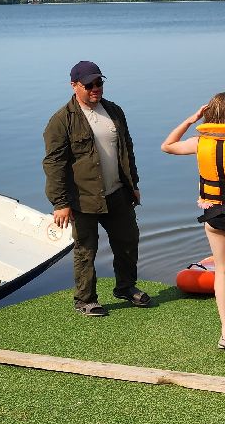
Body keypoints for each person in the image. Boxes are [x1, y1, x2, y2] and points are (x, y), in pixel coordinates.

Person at [42, 59, 152, 316]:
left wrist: (133, 184)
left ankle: (126, 287)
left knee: (128, 241)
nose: (95, 88)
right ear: (74, 86)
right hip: (83, 198)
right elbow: (53, 164)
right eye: (89, 84)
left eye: (99, 82)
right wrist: (60, 203)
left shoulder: (114, 111)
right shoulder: (61, 121)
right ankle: (85, 300)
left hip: (118, 193)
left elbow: (127, 150)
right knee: (86, 250)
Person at [161, 93, 225, 354]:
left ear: (210, 116)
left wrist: (190, 119)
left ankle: (224, 329)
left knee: (221, 270)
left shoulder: (199, 142)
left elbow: (167, 145)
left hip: (211, 215)